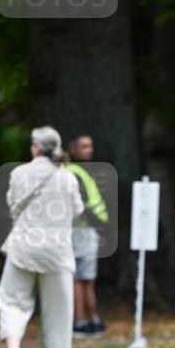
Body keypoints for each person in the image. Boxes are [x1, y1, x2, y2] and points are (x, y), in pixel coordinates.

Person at [0, 126, 84, 348]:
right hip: (57, 251)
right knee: (58, 310)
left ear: (35, 147)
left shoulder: (19, 172)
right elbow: (77, 212)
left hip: (23, 247)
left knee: (12, 301)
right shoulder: (66, 176)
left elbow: (13, 205)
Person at [66, 134, 109, 337]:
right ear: (72, 149)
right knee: (81, 279)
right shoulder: (73, 171)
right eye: (83, 146)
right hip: (82, 229)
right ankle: (85, 321)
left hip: (85, 231)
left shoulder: (79, 170)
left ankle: (86, 322)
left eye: (90, 146)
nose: (88, 150)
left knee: (83, 279)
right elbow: (81, 204)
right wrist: (99, 224)